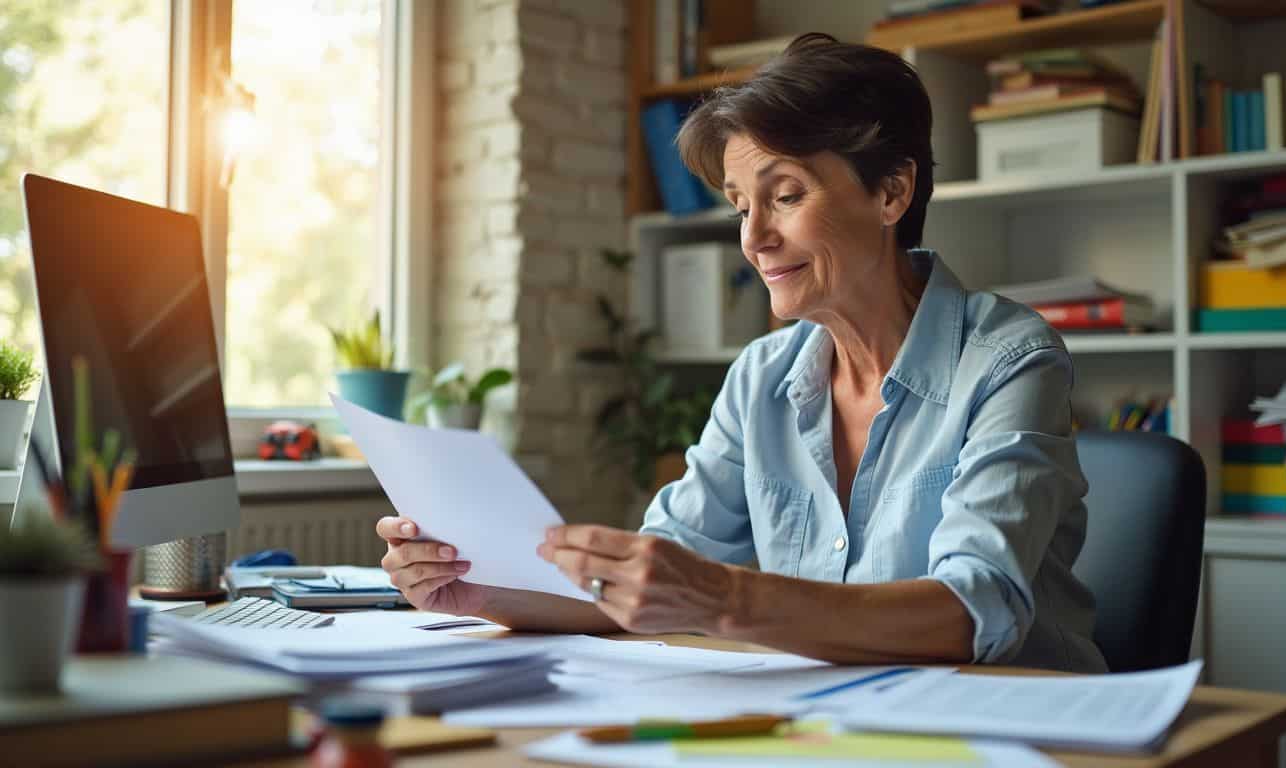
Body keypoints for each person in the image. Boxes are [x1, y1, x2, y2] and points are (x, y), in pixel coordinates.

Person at [377, 33, 1107, 672]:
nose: (752, 238)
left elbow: (970, 611)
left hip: (1011, 725)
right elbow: (648, 588)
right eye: (739, 205)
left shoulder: (1008, 357)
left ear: (891, 192)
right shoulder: (763, 376)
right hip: (836, 724)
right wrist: (478, 592)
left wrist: (725, 596)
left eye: (784, 196)